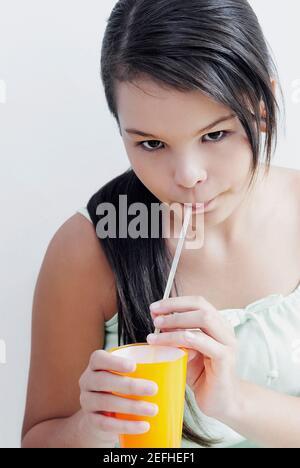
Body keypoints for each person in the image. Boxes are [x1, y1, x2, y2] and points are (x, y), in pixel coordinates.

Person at [21, 0, 300, 448]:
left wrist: (234, 402)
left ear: (262, 111)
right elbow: (39, 438)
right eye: (152, 143)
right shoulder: (88, 249)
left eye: (214, 135)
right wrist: (90, 427)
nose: (188, 176)